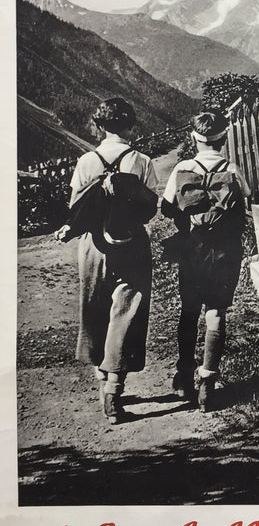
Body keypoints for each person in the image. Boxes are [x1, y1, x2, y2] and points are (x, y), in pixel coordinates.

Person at [55, 98, 158, 424]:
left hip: (93, 246)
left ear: (100, 126)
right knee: (126, 313)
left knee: (95, 308)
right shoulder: (141, 160)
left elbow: (76, 207)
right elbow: (151, 208)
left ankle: (101, 378)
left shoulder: (87, 161)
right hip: (132, 243)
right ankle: (115, 389)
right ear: (130, 124)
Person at [161, 109, 249, 412]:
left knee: (189, 311)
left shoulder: (183, 167)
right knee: (216, 312)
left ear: (193, 138)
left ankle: (184, 374)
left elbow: (167, 206)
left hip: (192, 248)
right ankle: (208, 381)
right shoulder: (233, 169)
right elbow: (247, 200)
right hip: (224, 250)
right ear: (223, 138)